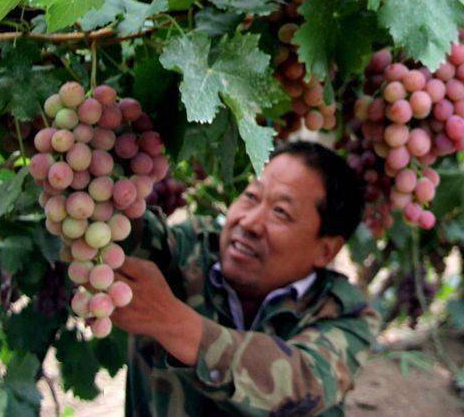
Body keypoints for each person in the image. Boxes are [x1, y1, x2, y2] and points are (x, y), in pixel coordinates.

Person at [112, 140, 376, 415]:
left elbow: (303, 382)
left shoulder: (346, 315)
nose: (249, 222)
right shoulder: (185, 252)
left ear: (325, 250)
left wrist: (170, 321)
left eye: (280, 212)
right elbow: (125, 231)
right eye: (251, 196)